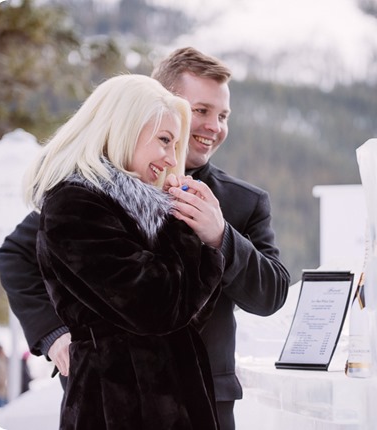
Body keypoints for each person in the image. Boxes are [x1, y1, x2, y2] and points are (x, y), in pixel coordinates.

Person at [0, 47, 291, 430]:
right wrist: (54, 335)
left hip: (207, 396)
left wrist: (221, 237)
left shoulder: (243, 200)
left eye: (223, 115)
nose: (213, 126)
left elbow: (273, 293)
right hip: (114, 396)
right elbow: (19, 254)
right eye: (201, 111)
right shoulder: (89, 193)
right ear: (153, 103)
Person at [19, 73, 225, 429]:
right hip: (119, 406)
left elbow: (185, 312)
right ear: (124, 127)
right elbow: (157, 306)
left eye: (174, 146)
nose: (170, 158)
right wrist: (190, 229)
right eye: (164, 140)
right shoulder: (75, 204)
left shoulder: (139, 209)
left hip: (163, 402)